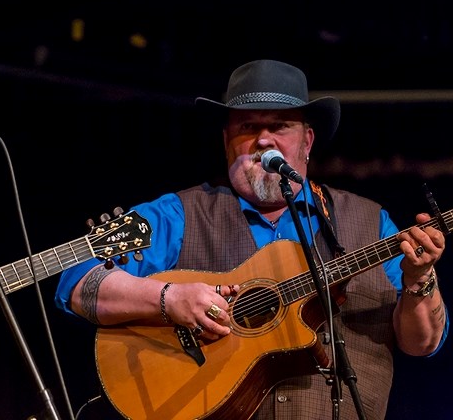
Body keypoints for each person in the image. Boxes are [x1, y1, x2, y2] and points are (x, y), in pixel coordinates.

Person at [55, 59, 448, 420]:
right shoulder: (180, 214)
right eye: (247, 127)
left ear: (306, 142)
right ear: (227, 141)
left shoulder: (370, 221)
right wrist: (168, 299)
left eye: (279, 126)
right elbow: (77, 280)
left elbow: (422, 344)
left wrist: (420, 282)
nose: (263, 140)